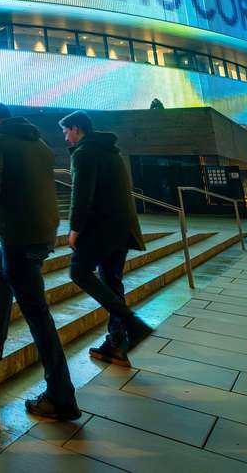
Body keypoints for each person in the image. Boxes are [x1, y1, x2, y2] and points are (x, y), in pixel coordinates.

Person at [0, 102, 79, 421]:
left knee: (38, 315)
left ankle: (61, 396)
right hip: (42, 231)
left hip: (18, 234)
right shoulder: (40, 144)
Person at [59, 111, 153, 368]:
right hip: (122, 227)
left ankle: (131, 324)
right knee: (111, 281)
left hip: (101, 227)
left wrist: (75, 229)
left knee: (79, 272)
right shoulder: (111, 152)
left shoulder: (84, 153)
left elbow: (82, 194)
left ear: (77, 129)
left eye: (66, 131)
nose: (65, 137)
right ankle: (116, 343)